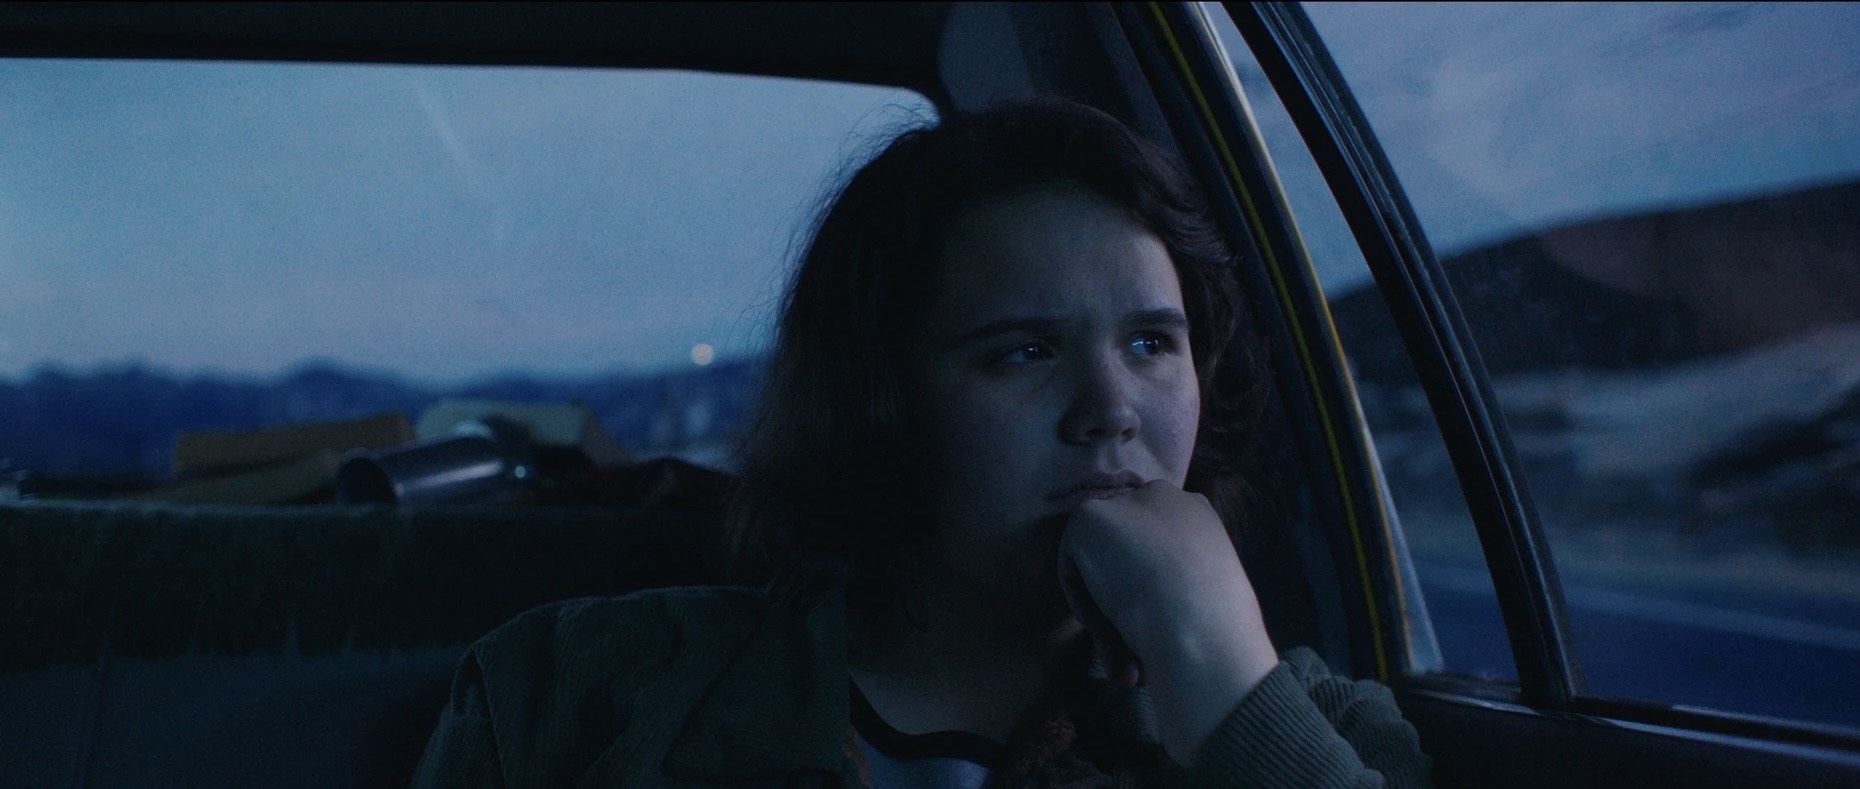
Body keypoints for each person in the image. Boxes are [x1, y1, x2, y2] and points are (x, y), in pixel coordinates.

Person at [410, 97, 1432, 788]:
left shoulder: (1323, 727)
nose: (1113, 408)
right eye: (1026, 351)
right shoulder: (583, 690)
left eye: (1151, 344)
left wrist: (1218, 673)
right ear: (880, 399)